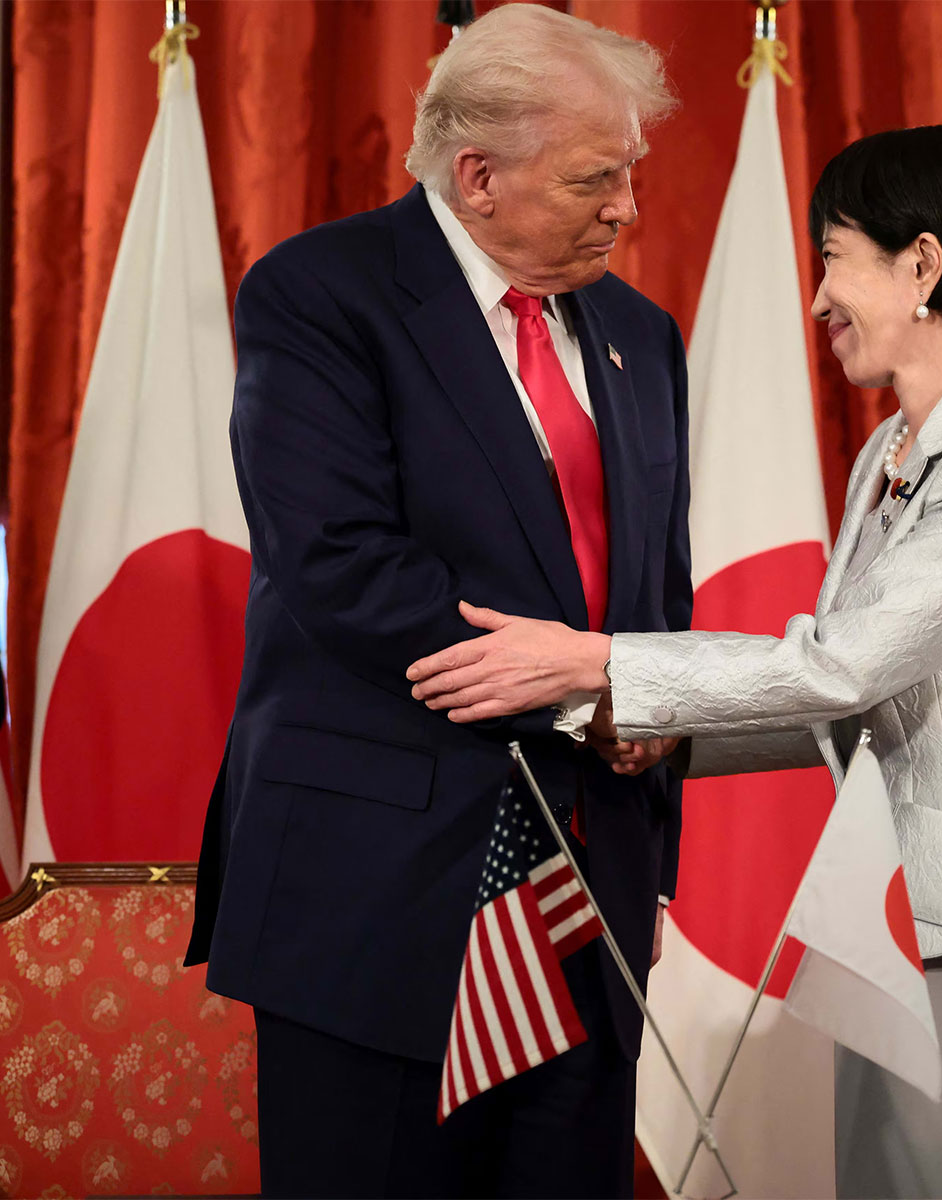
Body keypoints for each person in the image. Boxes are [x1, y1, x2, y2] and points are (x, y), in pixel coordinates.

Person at [408, 125, 942, 1198]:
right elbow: (859, 704)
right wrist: (667, 736)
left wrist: (601, 662)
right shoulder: (885, 457)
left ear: (923, 267)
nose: (818, 299)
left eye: (837, 257)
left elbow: (846, 666)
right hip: (903, 913)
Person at [183, 7, 692, 1197]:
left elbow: (654, 586)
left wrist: (655, 703)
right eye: (594, 178)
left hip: (588, 890)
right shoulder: (322, 295)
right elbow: (342, 564)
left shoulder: (639, 334)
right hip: (375, 885)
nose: (627, 207)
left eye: (631, 173)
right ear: (477, 177)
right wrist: (587, 698)